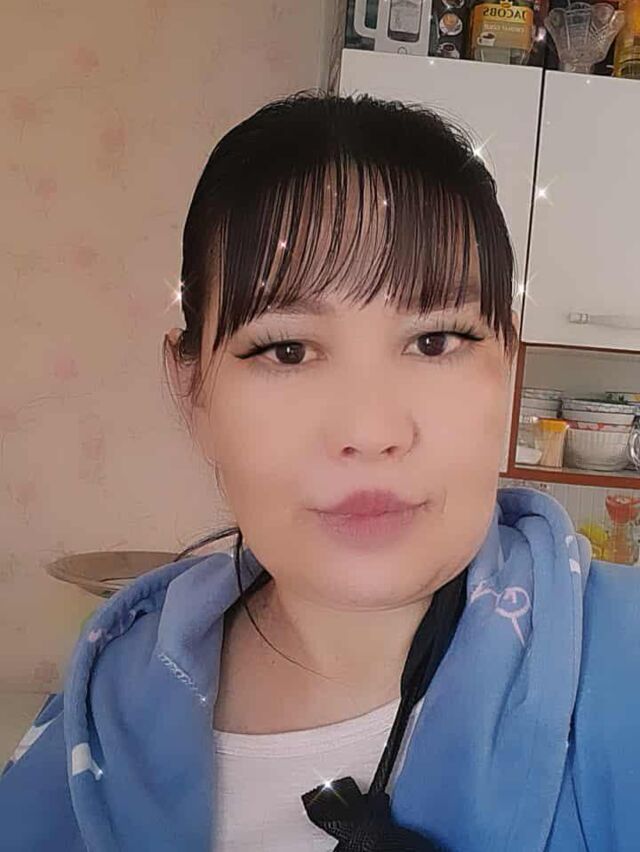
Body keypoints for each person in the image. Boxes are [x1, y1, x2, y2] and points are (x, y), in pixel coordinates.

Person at [1, 91, 639, 852]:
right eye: (288, 350)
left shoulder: (620, 663)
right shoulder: (104, 704)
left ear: (506, 368)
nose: (370, 432)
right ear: (193, 389)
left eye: (434, 342)